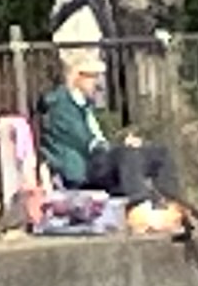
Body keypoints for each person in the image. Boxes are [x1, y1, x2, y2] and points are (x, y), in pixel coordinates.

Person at [38, 50, 183, 214]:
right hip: (83, 168)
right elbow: (88, 143)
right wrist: (118, 147)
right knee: (126, 155)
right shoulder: (61, 107)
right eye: (92, 77)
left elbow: (99, 141)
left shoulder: (83, 105)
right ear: (76, 76)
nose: (97, 83)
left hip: (98, 160)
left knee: (160, 154)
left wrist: (120, 143)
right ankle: (139, 207)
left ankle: (172, 204)